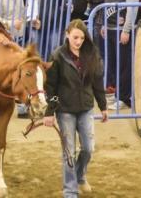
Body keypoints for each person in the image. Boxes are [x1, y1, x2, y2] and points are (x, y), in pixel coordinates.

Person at [44, 19, 108, 197]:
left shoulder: (92, 55)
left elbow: (97, 82)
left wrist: (103, 106)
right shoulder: (57, 56)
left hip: (86, 108)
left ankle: (79, 175)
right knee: (68, 153)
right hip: (65, 111)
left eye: (81, 38)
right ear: (67, 35)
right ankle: (70, 192)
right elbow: (51, 87)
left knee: (88, 149)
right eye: (75, 37)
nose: (78, 41)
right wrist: (50, 112)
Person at [102, 0, 140, 107]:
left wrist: (126, 30)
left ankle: (124, 97)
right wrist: (104, 22)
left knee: (124, 64)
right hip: (110, 26)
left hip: (121, 29)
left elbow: (132, 8)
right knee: (113, 63)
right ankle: (116, 93)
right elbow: (108, 0)